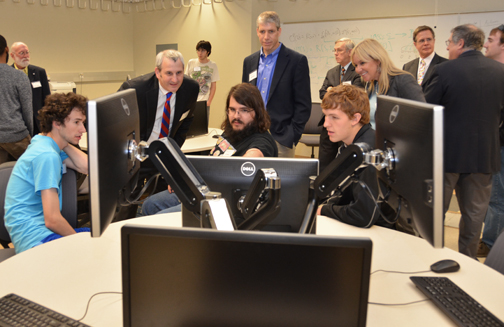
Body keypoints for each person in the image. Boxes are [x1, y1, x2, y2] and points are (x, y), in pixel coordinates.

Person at [424, 24, 504, 259]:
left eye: (449, 42)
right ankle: (468, 264)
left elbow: (425, 110)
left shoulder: (444, 71)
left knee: (435, 213)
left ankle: (432, 258)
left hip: (447, 156)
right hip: (484, 158)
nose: (447, 47)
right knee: (474, 218)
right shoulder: (501, 72)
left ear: (460, 43)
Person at [141, 83, 278, 215]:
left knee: (163, 215)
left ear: (258, 112)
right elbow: (211, 162)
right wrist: (184, 180)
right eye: (232, 110)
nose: (236, 116)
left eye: (244, 110)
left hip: (223, 203)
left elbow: (252, 159)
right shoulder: (232, 132)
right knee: (149, 205)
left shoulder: (261, 141)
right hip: (203, 190)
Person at [4, 92, 89, 254]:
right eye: (77, 122)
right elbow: (52, 220)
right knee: (94, 247)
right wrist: (78, 243)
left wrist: (63, 141)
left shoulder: (45, 142)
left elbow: (87, 167)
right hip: (35, 240)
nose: (83, 129)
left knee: (97, 237)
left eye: (83, 123)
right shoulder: (47, 155)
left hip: (38, 232)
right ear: (57, 123)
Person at [316, 85, 393, 228]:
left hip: (380, 234)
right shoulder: (349, 145)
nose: (326, 124)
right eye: (326, 116)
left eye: (334, 117)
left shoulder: (370, 153)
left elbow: (362, 215)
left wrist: (325, 210)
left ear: (355, 118)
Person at [242, 11, 311, 158]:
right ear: (257, 32)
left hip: (281, 138)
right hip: (251, 135)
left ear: (279, 31)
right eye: (262, 31)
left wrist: (292, 135)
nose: (266, 37)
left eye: (271, 31)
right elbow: (243, 98)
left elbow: (303, 104)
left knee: (281, 180)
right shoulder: (249, 62)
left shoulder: (296, 61)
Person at [119, 50, 199, 147]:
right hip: (138, 152)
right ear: (157, 72)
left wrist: (172, 149)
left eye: (179, 73)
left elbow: (187, 120)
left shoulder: (191, 88)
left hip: (165, 151)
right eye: (169, 73)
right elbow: (116, 124)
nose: (175, 80)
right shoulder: (134, 90)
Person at [351, 38, 425, 129]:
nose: (358, 70)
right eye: (355, 65)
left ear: (378, 60)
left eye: (362, 63)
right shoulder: (371, 85)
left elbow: (422, 117)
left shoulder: (403, 80)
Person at [478, 24, 504, 257]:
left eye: (491, 39)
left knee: (496, 196)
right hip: (492, 144)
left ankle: (489, 243)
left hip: (500, 145)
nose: (486, 44)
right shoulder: (493, 72)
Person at [318, 38, 363, 172]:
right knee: (325, 156)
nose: (336, 53)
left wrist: (332, 90)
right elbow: (322, 93)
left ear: (350, 52)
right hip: (328, 120)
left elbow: (354, 95)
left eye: (339, 50)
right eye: (335, 50)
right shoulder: (332, 72)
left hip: (346, 121)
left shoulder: (357, 71)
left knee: (342, 158)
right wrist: (338, 91)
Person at [0, 35, 33, 164]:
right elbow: (27, 112)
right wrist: (29, 134)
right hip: (17, 138)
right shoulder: (19, 76)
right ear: (7, 50)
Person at [10, 41, 51, 135]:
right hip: (18, 124)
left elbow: (47, 99)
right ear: (12, 56)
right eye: (21, 53)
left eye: (27, 52)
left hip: (38, 122)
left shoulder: (39, 72)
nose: (25, 56)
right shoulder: (8, 74)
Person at [402, 26, 448, 92]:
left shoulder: (445, 65)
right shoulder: (407, 67)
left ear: (434, 41)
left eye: (429, 39)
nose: (426, 43)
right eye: (422, 40)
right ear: (415, 45)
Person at [185, 40, 220, 107]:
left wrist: (209, 102)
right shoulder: (191, 62)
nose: (200, 53)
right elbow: (186, 82)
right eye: (198, 50)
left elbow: (213, 85)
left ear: (208, 52)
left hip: (204, 101)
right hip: (191, 101)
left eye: (203, 50)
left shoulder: (213, 65)